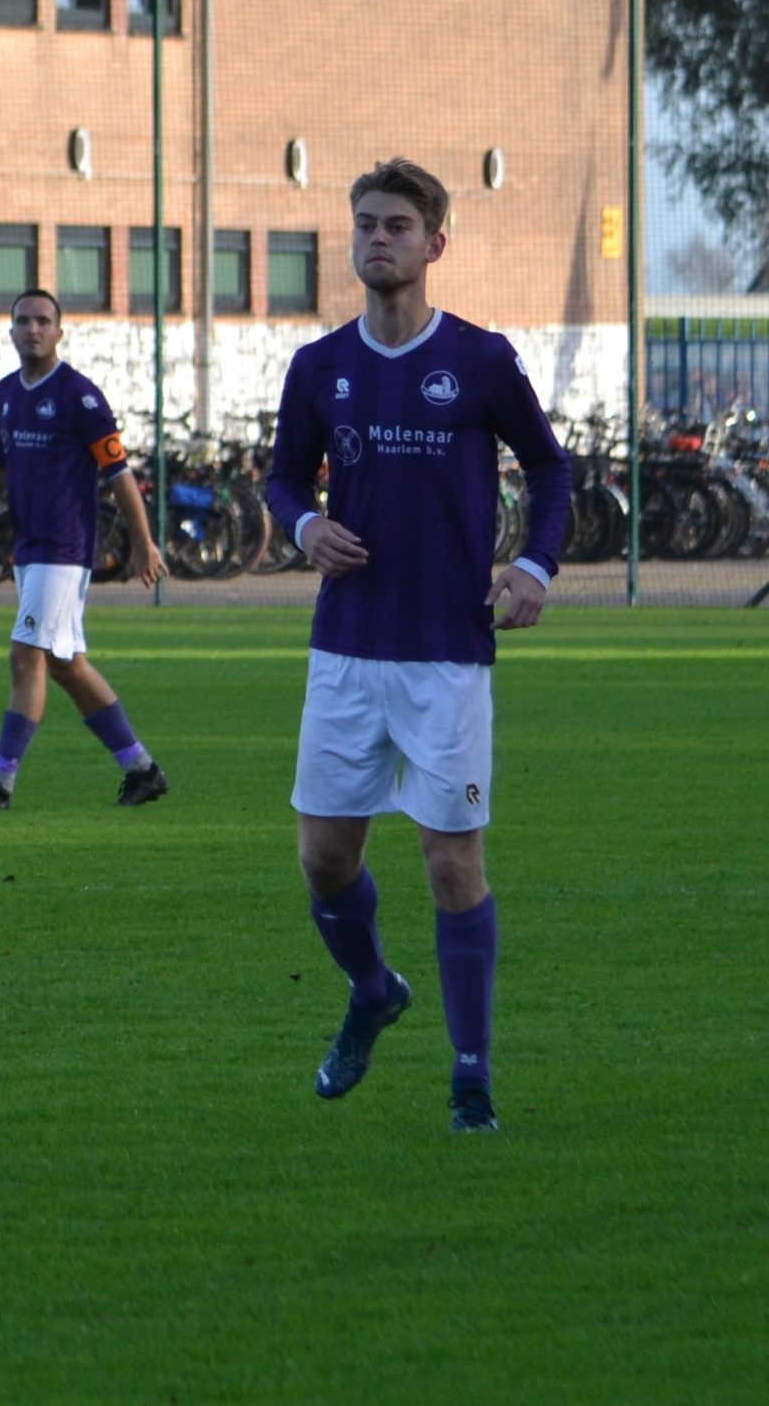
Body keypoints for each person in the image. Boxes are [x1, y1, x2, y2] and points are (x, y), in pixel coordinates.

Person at [266, 158, 570, 1135]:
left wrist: (533, 569)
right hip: (347, 648)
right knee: (322, 857)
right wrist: (303, 528)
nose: (377, 239)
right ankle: (372, 988)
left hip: (445, 651)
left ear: (436, 242)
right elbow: (280, 481)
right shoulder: (317, 368)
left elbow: (553, 473)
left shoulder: (480, 361)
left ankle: (469, 1076)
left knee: (450, 864)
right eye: (364, 224)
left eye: (397, 224)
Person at [0, 289, 170, 811]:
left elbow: (119, 474)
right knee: (66, 665)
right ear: (12, 330)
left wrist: (143, 543)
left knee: (26, 658)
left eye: (43, 321)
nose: (33, 329)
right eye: (23, 321)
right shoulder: (5, 393)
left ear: (59, 332)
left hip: (64, 552)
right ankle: (142, 769)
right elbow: (0, 462)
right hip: (28, 549)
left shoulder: (80, 396)